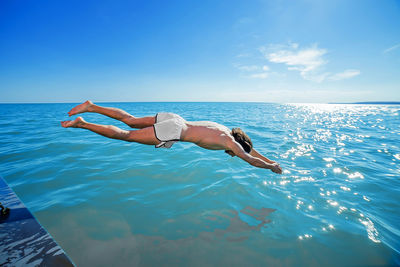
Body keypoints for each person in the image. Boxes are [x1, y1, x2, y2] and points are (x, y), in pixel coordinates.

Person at [61, 101, 283, 174]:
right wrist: (270, 168)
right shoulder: (230, 143)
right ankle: (83, 123)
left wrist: (271, 160)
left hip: (176, 119)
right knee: (126, 135)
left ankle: (91, 107)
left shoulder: (222, 128)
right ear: (237, 144)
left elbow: (251, 151)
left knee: (130, 119)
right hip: (175, 132)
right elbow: (250, 158)